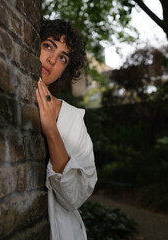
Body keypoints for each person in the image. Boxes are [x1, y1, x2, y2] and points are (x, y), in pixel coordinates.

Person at [36, 18, 97, 240]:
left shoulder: (73, 118)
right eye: (48, 45)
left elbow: (74, 198)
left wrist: (52, 131)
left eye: (63, 58)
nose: (52, 60)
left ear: (64, 70)